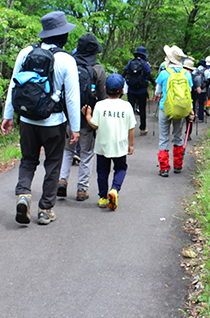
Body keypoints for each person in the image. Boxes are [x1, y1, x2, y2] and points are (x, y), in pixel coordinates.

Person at [1, 11, 80, 225]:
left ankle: (24, 194)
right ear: (63, 36)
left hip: (27, 120)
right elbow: (72, 98)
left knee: (28, 160)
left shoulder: (25, 52)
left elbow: (13, 86)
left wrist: (8, 115)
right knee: (53, 164)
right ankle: (45, 209)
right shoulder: (66, 60)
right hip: (54, 123)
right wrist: (76, 127)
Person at [57, 33, 107, 201]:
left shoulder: (68, 63)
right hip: (87, 116)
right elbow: (103, 97)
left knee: (67, 150)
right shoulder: (97, 69)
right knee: (86, 152)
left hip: (67, 115)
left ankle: (62, 180)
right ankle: (82, 189)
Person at [84, 73, 136, 210]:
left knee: (102, 171)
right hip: (120, 146)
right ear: (122, 90)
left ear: (105, 88)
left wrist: (88, 115)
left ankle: (102, 198)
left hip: (102, 146)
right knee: (120, 168)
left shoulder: (100, 105)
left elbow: (95, 125)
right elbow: (131, 128)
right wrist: (131, 144)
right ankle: (114, 190)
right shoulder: (127, 106)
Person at [153, 45, 194, 177]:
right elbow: (189, 94)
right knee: (178, 136)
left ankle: (164, 168)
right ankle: (178, 165)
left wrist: (158, 96)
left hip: (165, 109)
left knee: (164, 138)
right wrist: (191, 111)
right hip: (180, 109)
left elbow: (157, 92)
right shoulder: (187, 74)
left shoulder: (164, 73)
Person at [123, 46, 156, 136]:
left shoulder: (130, 62)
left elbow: (124, 73)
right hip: (142, 90)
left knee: (130, 109)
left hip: (131, 90)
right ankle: (143, 128)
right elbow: (149, 76)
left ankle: (128, 128)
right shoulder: (145, 64)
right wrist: (154, 83)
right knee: (142, 109)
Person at [193, 59, 210, 123]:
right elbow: (209, 80)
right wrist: (204, 86)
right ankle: (201, 118)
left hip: (195, 90)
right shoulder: (206, 71)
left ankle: (193, 117)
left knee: (194, 103)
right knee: (201, 103)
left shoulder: (195, 70)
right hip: (203, 90)